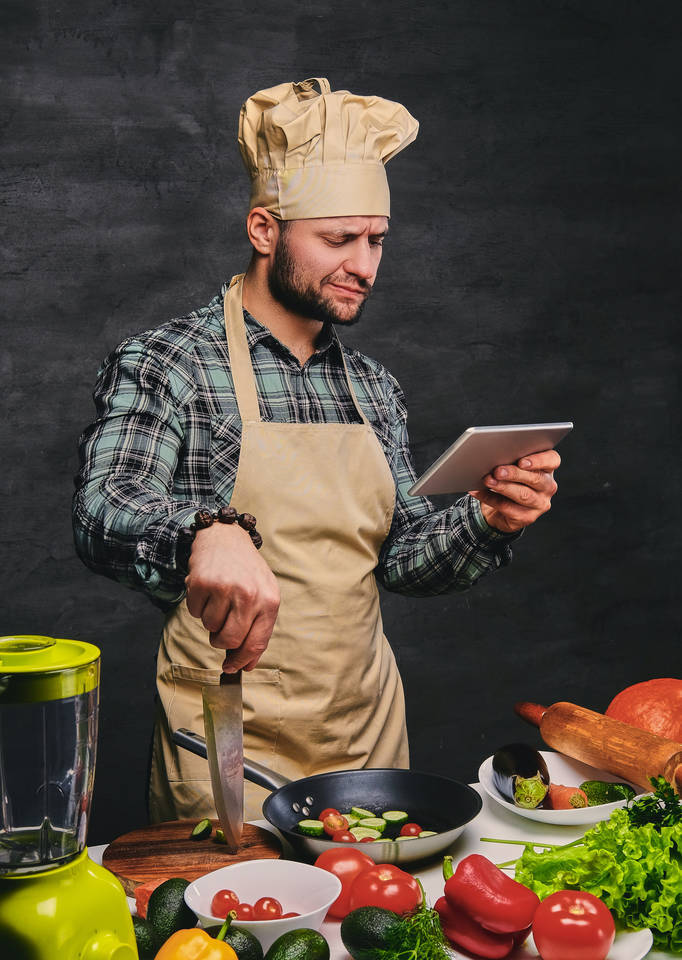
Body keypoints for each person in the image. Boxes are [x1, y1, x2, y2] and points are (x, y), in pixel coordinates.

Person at [73, 78, 560, 822]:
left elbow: (399, 555)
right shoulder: (170, 363)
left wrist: (487, 517)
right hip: (232, 752)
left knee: (379, 934)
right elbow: (105, 507)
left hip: (367, 741)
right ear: (264, 229)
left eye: (376, 240)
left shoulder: (375, 388)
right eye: (338, 239)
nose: (364, 265)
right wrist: (208, 533)